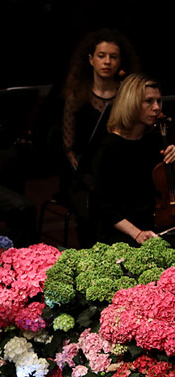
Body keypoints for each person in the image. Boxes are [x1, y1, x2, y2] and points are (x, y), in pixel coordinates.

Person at [61, 29, 139, 247]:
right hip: (81, 178)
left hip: (117, 173)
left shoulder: (127, 96)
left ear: (121, 61)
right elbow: (68, 147)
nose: (107, 62)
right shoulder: (76, 96)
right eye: (102, 56)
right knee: (91, 213)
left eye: (113, 57)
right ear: (91, 60)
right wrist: (88, 179)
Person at [93, 73, 175, 245]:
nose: (156, 107)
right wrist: (137, 233)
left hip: (155, 225)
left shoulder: (154, 139)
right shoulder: (110, 147)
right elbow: (102, 205)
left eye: (159, 101)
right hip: (122, 232)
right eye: (149, 101)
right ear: (131, 103)